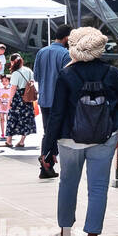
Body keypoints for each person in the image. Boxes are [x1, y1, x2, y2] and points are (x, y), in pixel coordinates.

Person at [41, 27, 118, 236]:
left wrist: (47, 147)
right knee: (98, 188)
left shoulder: (67, 74)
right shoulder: (112, 73)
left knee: (68, 185)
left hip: (69, 139)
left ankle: (65, 235)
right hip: (104, 138)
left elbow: (57, 113)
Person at [33, 25, 72, 178]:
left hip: (44, 99)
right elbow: (68, 79)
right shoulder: (66, 54)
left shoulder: (41, 52)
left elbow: (36, 76)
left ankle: (46, 164)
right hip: (59, 101)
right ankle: (48, 162)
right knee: (60, 133)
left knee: (48, 132)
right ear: (67, 38)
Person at [4, 54, 36, 148]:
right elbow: (32, 82)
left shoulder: (15, 73)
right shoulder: (28, 70)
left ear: (13, 62)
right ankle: (22, 141)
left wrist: (9, 100)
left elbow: (13, 88)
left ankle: (9, 141)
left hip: (17, 97)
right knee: (26, 118)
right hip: (27, 97)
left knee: (12, 118)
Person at [0, 74, 10, 139]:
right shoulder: (1, 89)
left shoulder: (11, 89)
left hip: (8, 105)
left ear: (9, 81)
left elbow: (11, 98)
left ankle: (8, 133)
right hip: (1, 105)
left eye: (6, 81)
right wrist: (1, 104)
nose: (4, 82)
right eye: (2, 81)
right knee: (1, 119)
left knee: (8, 119)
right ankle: (2, 133)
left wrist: (7, 104)